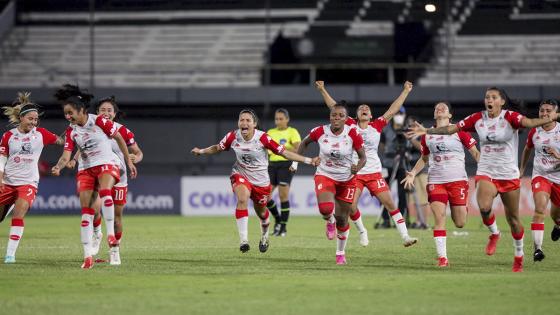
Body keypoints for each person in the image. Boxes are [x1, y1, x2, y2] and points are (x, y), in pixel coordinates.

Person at [407, 87, 559, 272]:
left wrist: (548, 118)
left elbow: (528, 122)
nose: (489, 99)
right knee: (484, 207)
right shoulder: (477, 118)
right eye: (487, 97)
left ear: (501, 101)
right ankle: (489, 236)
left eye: (494, 97)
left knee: (512, 220)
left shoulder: (510, 117)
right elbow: (450, 129)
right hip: (483, 172)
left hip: (507, 174)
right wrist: (427, 131)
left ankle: (519, 255)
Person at [191, 109, 319, 253]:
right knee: (242, 198)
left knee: (262, 213)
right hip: (241, 174)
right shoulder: (232, 136)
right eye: (241, 120)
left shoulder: (263, 138)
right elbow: (217, 148)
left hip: (261, 181)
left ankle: (264, 235)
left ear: (254, 124)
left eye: (248, 120)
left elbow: (285, 153)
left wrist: (309, 160)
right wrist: (201, 151)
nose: (244, 123)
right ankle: (244, 241)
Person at [314, 80, 417, 247]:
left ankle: (405, 236)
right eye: (361, 108)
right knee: (351, 207)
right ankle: (363, 231)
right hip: (354, 173)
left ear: (371, 116)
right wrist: (322, 90)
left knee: (390, 203)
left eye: (367, 109)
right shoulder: (349, 124)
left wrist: (405, 91)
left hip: (374, 172)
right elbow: (334, 107)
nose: (364, 109)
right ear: (355, 114)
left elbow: (393, 109)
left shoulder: (377, 125)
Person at [51, 84, 138, 269]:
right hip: (90, 170)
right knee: (90, 211)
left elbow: (129, 146)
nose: (68, 117)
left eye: (70, 113)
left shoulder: (108, 125)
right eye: (65, 114)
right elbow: (70, 153)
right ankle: (93, 245)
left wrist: (131, 162)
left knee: (116, 213)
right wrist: (60, 166)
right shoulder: (73, 130)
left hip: (114, 170)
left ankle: (114, 247)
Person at [402, 102, 480, 267]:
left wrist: (486, 169)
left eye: (443, 107)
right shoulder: (427, 135)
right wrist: (413, 172)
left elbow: (474, 152)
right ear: (434, 114)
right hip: (436, 180)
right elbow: (424, 159)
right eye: (437, 107)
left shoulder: (459, 130)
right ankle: (442, 258)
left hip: (458, 180)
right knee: (439, 217)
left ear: (450, 115)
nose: (440, 108)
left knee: (460, 222)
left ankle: (460, 207)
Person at [295, 102, 367, 265]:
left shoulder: (353, 133)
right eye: (334, 115)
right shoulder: (320, 131)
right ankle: (329, 220)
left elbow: (363, 157)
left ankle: (340, 252)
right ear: (330, 116)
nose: (337, 118)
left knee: (342, 219)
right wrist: (295, 163)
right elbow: (304, 143)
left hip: (347, 179)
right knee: (326, 209)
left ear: (346, 118)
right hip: (325, 175)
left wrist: (358, 167)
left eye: (341, 116)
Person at [0, 92, 64, 264]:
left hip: (28, 183)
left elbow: (62, 141)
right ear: (21, 118)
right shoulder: (8, 136)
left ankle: (10, 255)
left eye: (36, 119)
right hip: (8, 182)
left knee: (18, 216)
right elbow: (2, 158)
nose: (33, 122)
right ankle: (7, 205)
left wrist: (72, 139)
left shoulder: (41, 134)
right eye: (30, 119)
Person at [519, 99, 560, 262]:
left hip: (558, 178)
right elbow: (527, 148)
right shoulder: (535, 132)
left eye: (548, 110)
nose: (544, 113)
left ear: (555, 114)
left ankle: (558, 225)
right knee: (540, 209)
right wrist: (522, 169)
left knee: (556, 215)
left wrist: (558, 156)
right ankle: (538, 249)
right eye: (542, 110)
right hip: (541, 176)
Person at [266, 108, 301, 237]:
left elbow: (298, 148)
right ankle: (278, 219)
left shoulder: (292, 132)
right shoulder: (270, 132)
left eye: (281, 119)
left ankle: (283, 228)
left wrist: (282, 148)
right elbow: (267, 148)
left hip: (286, 164)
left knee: (283, 195)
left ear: (287, 119)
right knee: (265, 195)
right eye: (276, 119)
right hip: (272, 165)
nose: (278, 121)